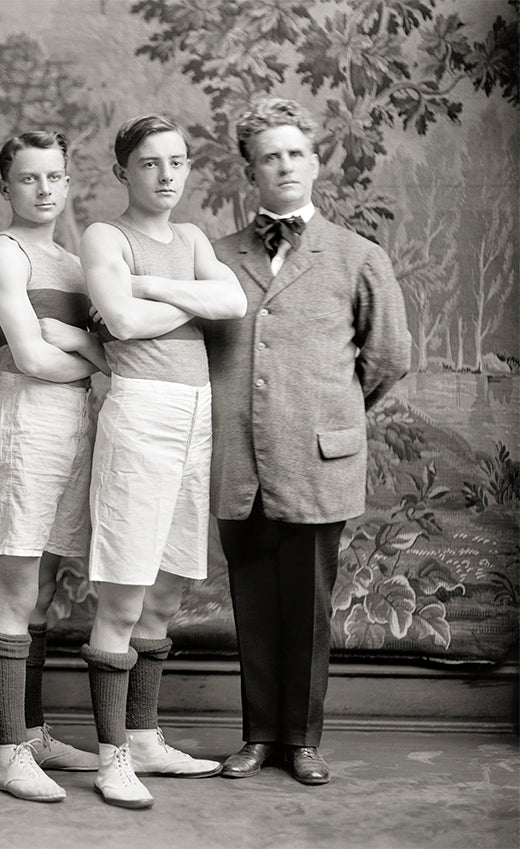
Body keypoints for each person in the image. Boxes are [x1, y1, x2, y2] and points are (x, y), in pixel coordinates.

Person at [207, 98, 410, 786]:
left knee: (308, 607)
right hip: (236, 462)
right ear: (252, 171)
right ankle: (258, 735)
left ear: (314, 162)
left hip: (318, 463)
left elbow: (387, 359)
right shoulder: (216, 257)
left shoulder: (358, 257)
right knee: (254, 606)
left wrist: (330, 416)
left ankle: (302, 739)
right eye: (270, 156)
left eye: (295, 152)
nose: (284, 164)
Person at [79, 114, 246, 808]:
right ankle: (111, 755)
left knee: (170, 588)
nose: (167, 174)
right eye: (150, 163)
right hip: (141, 409)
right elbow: (118, 322)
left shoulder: (193, 238)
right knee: (124, 587)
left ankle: (145, 737)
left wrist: (153, 290)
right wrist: (183, 304)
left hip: (195, 414)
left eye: (176, 161)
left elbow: (233, 303)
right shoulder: (104, 236)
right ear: (125, 171)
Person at [0, 130, 108, 803]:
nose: (45, 189)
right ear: (5, 186)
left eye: (54, 176)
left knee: (48, 584)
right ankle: (8, 751)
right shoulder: (4, 252)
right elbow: (27, 356)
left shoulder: (74, 260)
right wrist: (90, 356)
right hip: (24, 420)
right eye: (29, 178)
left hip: (75, 424)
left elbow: (93, 351)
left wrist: (75, 341)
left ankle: (34, 731)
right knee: (17, 580)